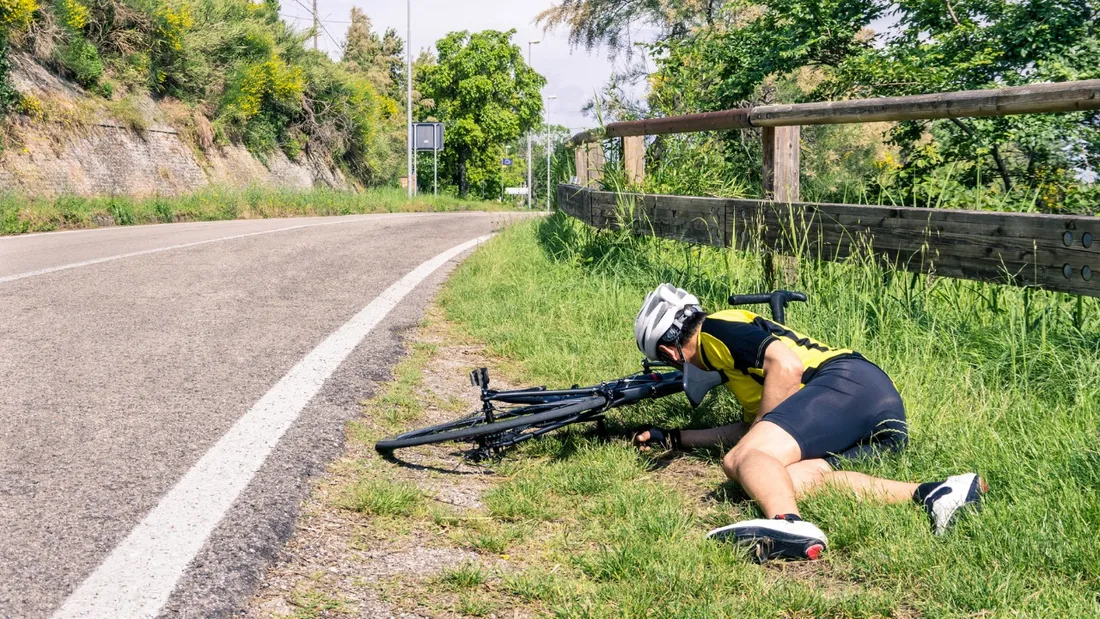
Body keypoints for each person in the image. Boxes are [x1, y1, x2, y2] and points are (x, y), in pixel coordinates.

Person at [632, 283, 986, 561]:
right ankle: (935, 492)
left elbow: (787, 366)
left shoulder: (716, 329)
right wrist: (677, 438)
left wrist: (751, 447)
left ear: (669, 353)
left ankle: (790, 524)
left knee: (741, 459)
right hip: (876, 413)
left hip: (848, 382)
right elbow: (750, 429)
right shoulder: (732, 365)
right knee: (788, 479)